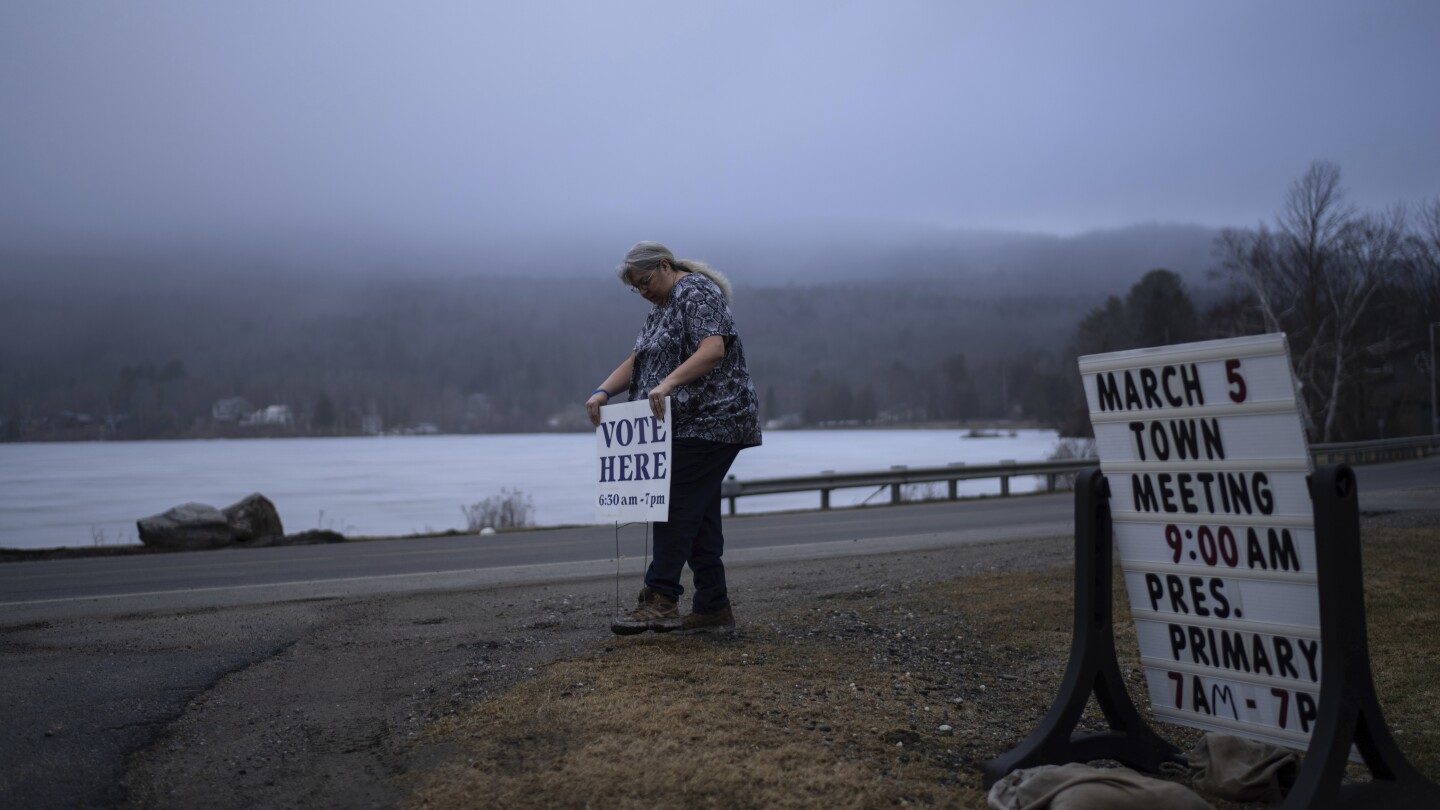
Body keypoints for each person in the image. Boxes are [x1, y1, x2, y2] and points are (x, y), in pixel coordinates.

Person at [587, 241, 761, 635]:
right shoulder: (660, 309)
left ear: (665, 265)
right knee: (697, 512)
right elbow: (639, 361)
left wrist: (666, 385)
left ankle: (661, 597)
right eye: (637, 288)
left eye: (646, 281)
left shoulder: (695, 291)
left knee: (674, 502)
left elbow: (713, 349)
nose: (643, 291)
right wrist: (602, 392)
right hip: (683, 425)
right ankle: (712, 607)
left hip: (716, 419)